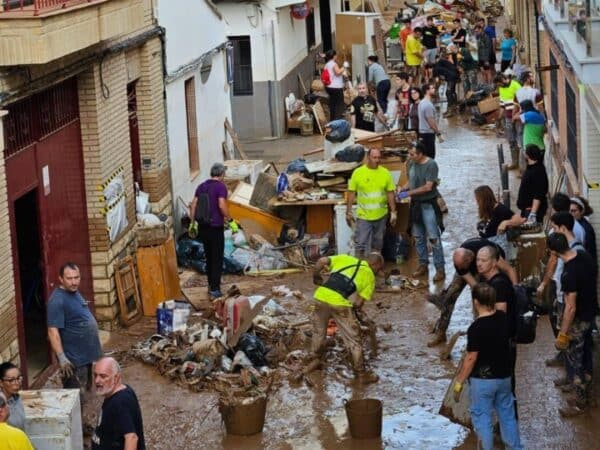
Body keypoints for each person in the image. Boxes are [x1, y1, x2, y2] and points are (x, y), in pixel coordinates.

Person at [453, 283, 522, 450]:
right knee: (507, 417)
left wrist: (459, 382)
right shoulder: (504, 319)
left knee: (483, 418)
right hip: (504, 378)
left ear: (476, 302)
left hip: (482, 381)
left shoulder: (475, 328)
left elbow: (471, 358)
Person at [427, 238, 517, 346]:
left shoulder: (485, 254)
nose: (460, 268)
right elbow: (475, 286)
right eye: (459, 266)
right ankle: (441, 332)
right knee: (451, 296)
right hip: (470, 267)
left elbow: (510, 269)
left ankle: (482, 333)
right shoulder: (460, 262)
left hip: (487, 267)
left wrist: (516, 291)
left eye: (463, 266)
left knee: (482, 301)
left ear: (470, 259)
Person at [311, 252, 384, 384]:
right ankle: (361, 374)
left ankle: (315, 359)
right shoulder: (369, 276)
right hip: (339, 303)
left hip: (320, 297)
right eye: (379, 268)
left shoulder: (346, 259)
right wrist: (353, 311)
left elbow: (321, 261)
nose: (378, 271)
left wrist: (316, 276)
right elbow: (359, 303)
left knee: (318, 332)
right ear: (375, 264)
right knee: (353, 340)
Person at [547, 233, 598, 416]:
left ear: (553, 252)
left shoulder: (568, 274)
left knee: (576, 361)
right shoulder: (584, 256)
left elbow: (570, 308)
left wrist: (563, 333)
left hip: (578, 321)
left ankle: (580, 403)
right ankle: (587, 392)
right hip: (590, 314)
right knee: (585, 355)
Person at [538, 212, 586, 369]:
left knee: (573, 342)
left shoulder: (572, 262)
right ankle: (568, 367)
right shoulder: (575, 252)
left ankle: (577, 380)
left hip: (570, 300)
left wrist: (563, 334)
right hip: (564, 294)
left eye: (554, 227)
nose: (553, 230)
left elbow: (571, 306)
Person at [476, 246, 519, 417]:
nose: (479, 264)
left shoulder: (499, 285)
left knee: (505, 385)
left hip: (503, 342)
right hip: (499, 341)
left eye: (483, 260)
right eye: (478, 260)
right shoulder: (489, 281)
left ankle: (508, 425)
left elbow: (500, 317)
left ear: (494, 263)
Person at [47, 262, 102, 395]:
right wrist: (62, 358)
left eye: (76, 277)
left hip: (86, 356)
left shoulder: (73, 291)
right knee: (75, 399)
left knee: (87, 391)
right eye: (69, 278)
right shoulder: (57, 301)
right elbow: (52, 331)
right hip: (74, 361)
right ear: (61, 279)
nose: (74, 282)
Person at [398, 141, 445, 281]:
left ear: (421, 154)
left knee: (433, 237)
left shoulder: (431, 165)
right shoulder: (412, 163)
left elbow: (428, 187)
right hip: (416, 204)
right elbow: (411, 181)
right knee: (418, 236)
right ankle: (423, 264)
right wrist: (403, 188)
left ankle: (440, 268)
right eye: (409, 154)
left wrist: (409, 193)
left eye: (412, 154)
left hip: (428, 204)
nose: (410, 156)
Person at [189, 163, 231, 298]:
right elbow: (221, 204)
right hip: (215, 228)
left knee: (209, 257)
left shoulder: (201, 186)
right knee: (217, 258)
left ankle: (210, 285)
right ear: (222, 175)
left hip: (203, 227)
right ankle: (215, 289)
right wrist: (229, 219)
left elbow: (193, 204)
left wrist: (192, 222)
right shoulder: (220, 187)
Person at [346, 148, 396, 258]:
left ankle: (375, 268)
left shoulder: (385, 173)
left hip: (381, 215)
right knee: (360, 244)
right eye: (374, 157)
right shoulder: (358, 173)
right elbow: (351, 192)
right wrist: (348, 212)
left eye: (379, 157)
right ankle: (359, 267)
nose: (377, 160)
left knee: (377, 244)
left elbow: (390, 193)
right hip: (364, 216)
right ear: (368, 157)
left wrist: (393, 212)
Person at [92, 357, 145, 450]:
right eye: (95, 375)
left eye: (103, 376)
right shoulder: (123, 390)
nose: (97, 381)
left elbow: (131, 438)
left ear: (116, 378)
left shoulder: (120, 402)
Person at [474, 185, 524, 256]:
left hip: (495, 248)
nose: (476, 202)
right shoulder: (487, 210)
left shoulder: (500, 209)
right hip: (486, 245)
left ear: (483, 199)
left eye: (477, 199)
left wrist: (505, 222)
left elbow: (520, 219)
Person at [495, 72, 522, 170]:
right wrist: (499, 118)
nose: (499, 87)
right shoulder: (502, 88)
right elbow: (502, 105)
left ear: (502, 80)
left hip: (518, 117)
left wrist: (517, 115)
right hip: (508, 118)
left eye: (499, 84)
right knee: (511, 140)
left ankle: (523, 166)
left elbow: (521, 103)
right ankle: (515, 163)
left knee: (520, 140)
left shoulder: (516, 86)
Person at [516, 145, 548, 223]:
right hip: (527, 209)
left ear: (527, 155)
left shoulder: (536, 171)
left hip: (531, 211)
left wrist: (533, 213)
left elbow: (538, 194)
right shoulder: (535, 167)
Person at [418, 82, 442, 159]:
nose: (434, 90)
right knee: (430, 157)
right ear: (427, 91)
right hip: (428, 134)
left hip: (422, 133)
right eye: (432, 88)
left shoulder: (421, 103)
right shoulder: (428, 105)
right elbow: (431, 121)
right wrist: (438, 134)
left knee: (425, 157)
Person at [433, 47, 459, 117]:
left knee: (448, 92)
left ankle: (451, 110)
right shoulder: (441, 62)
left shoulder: (436, 69)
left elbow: (437, 81)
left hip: (451, 77)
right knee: (452, 92)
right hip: (454, 75)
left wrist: (435, 90)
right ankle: (454, 108)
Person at [0, 363, 25, 431]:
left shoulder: (16, 397)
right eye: (11, 380)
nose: (17, 383)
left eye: (18, 378)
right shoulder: (2, 406)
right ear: (1, 383)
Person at [323, 50, 346, 121]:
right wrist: (344, 67)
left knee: (332, 104)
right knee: (339, 105)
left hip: (329, 87)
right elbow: (338, 72)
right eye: (336, 55)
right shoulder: (333, 64)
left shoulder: (326, 64)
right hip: (336, 88)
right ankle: (337, 120)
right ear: (334, 56)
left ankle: (332, 120)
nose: (336, 56)